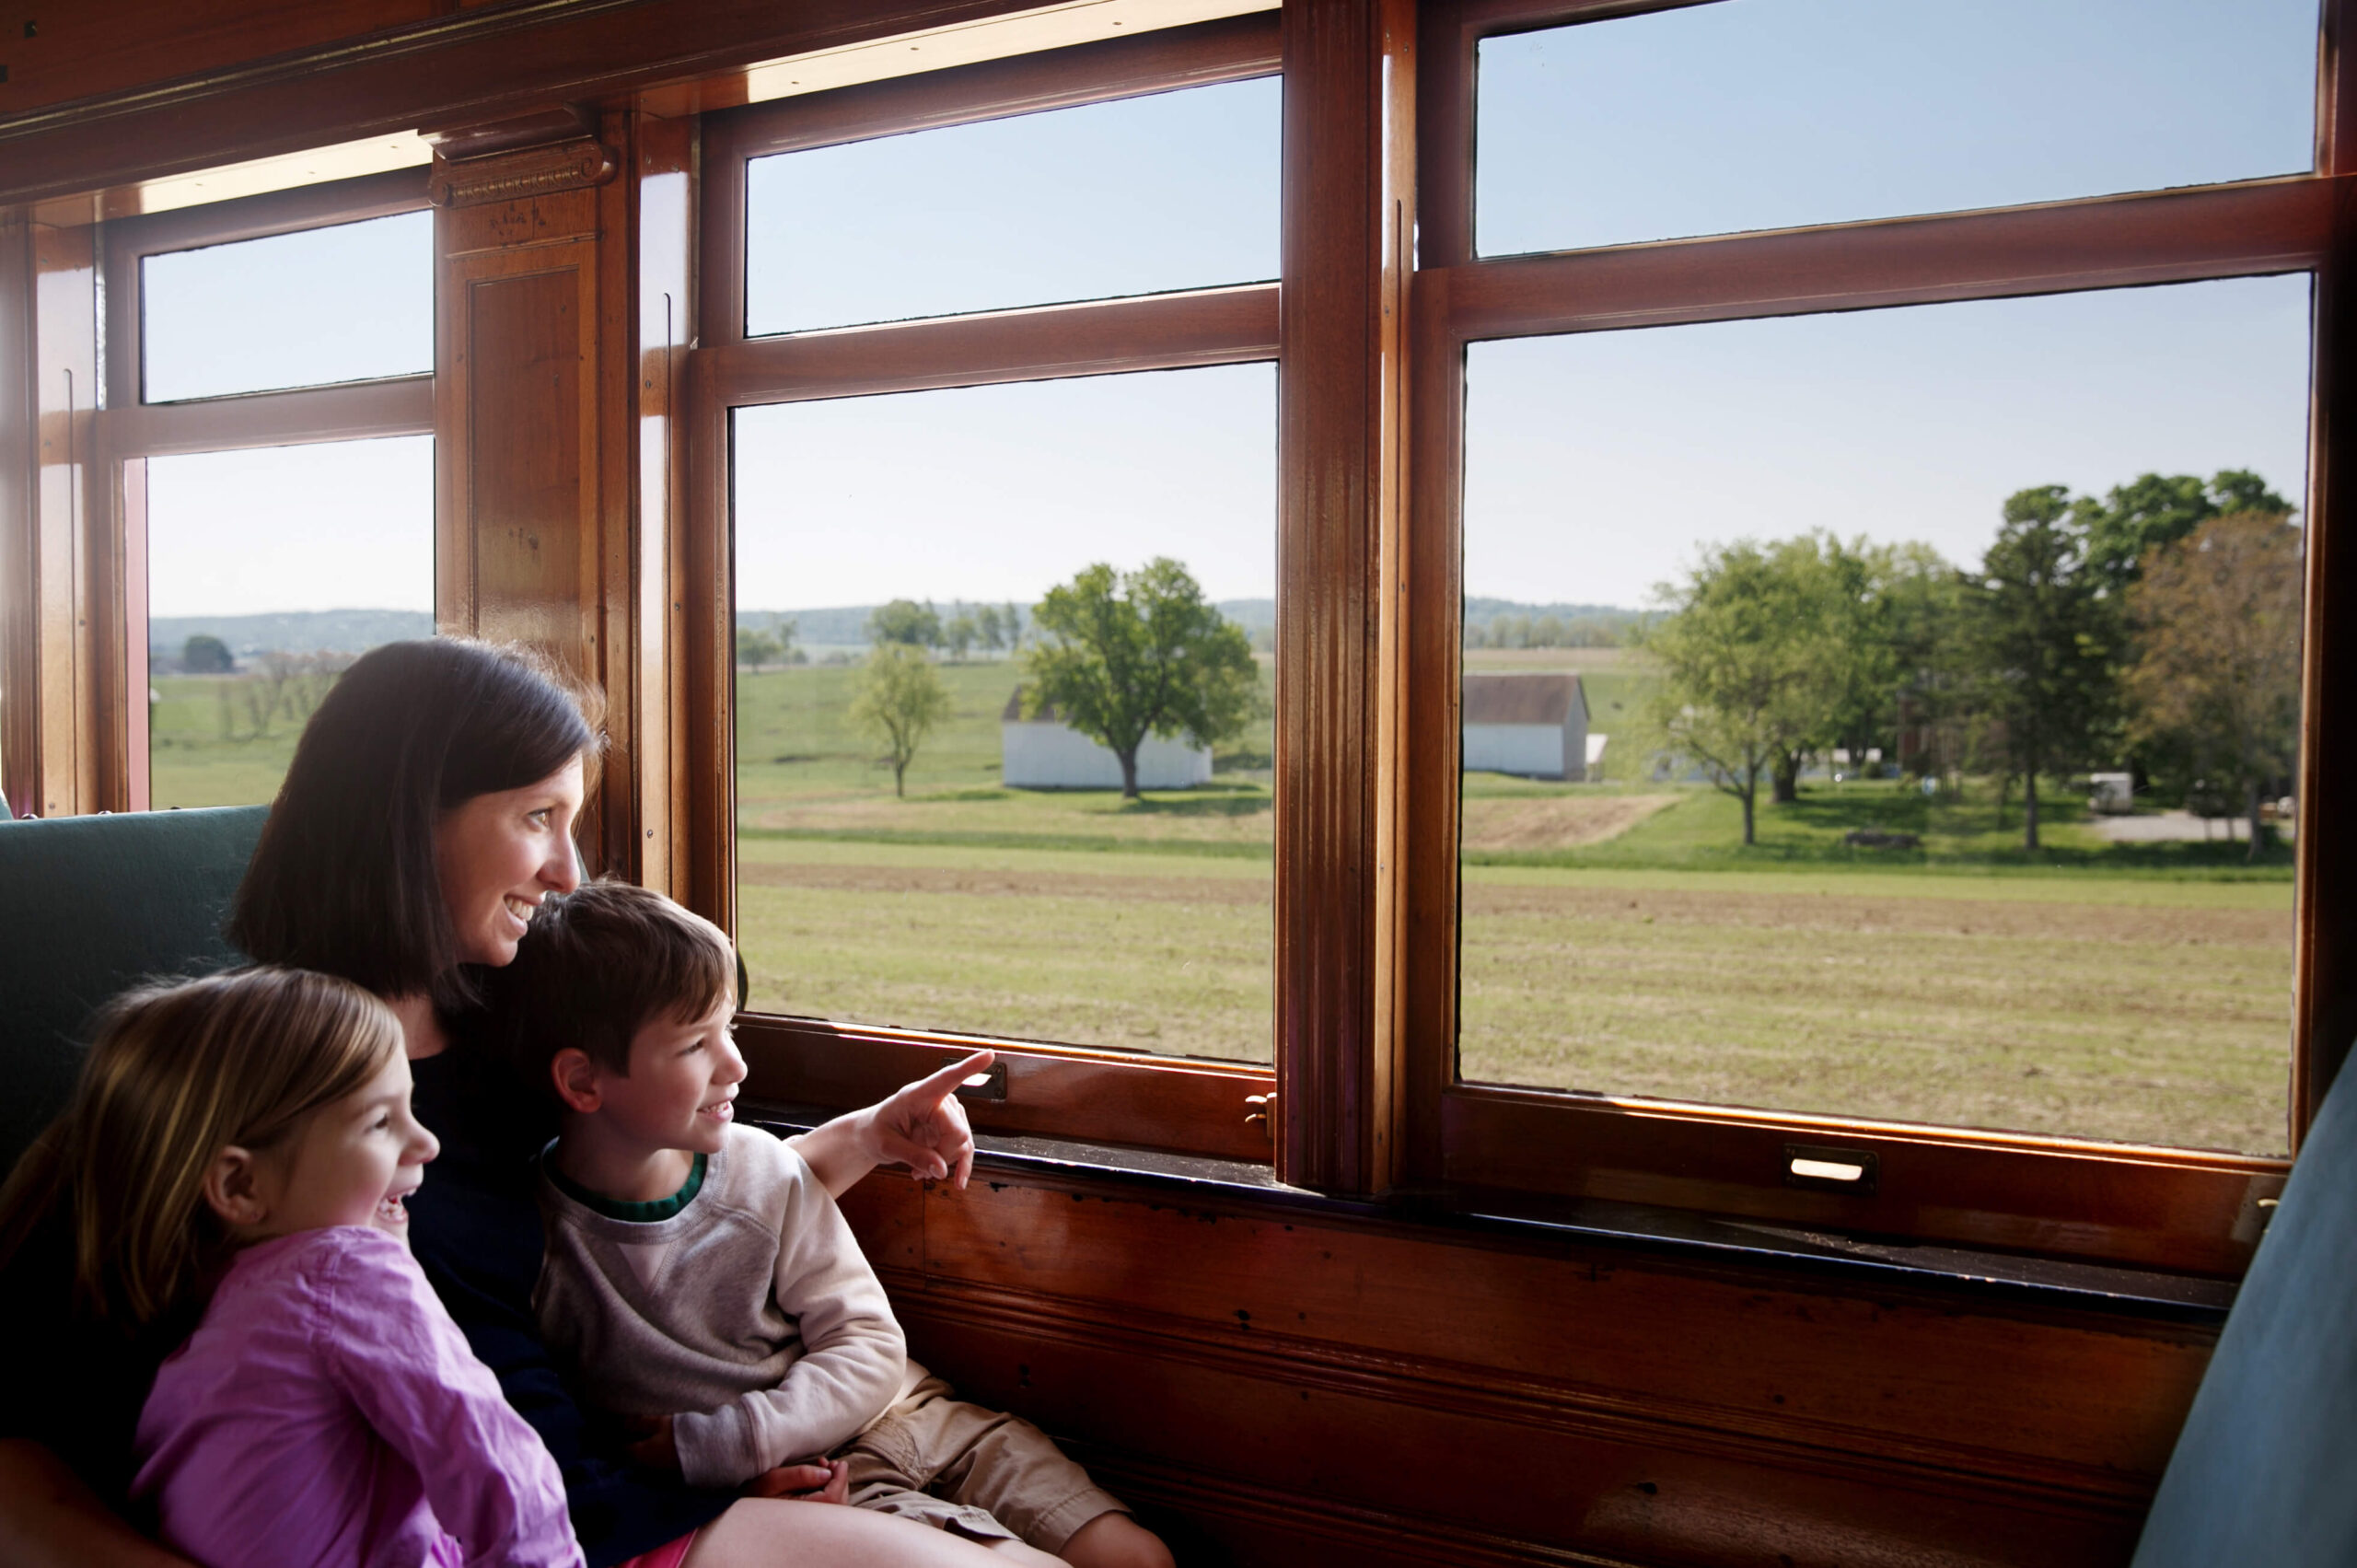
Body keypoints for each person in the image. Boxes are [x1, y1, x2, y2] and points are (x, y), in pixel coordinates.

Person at [0, 638, 1013, 1568]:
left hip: (632, 1485)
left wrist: (867, 1134)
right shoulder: (232, 1068)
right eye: (538, 817)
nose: (567, 871)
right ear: (406, 821)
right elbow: (20, 1446)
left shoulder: (523, 1039)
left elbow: (692, 1177)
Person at [494, 881, 1174, 1568]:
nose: (736, 1064)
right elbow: (591, 1442)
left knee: (1138, 1558)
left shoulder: (759, 1170)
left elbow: (869, 1344)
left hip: (916, 1416)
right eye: (696, 1042)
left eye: (729, 1028)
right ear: (584, 1082)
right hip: (832, 1478)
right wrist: (725, 1479)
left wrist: (731, 1440)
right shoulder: (534, 1244)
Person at [45, 967, 579, 1568]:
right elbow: (497, 1463)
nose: (427, 1142)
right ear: (241, 1184)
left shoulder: (209, 1322)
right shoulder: (347, 1270)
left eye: (413, 1107)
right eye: (381, 1121)